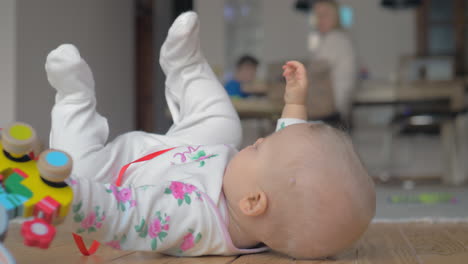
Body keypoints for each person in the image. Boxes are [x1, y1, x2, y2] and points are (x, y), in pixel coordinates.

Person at [46, 12, 375, 259]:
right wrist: (295, 102)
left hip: (118, 178)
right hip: (187, 151)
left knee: (77, 168)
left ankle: (75, 102)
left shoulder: (190, 219)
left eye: (259, 150)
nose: (258, 141)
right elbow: (287, 151)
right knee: (226, 127)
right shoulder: (255, 191)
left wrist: (72, 197)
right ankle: (186, 67)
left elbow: (126, 216)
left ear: (253, 202)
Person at [308, 0, 357, 127]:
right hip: (335, 111)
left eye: (324, 15)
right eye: (317, 15)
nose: (319, 20)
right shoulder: (337, 38)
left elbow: (314, 71)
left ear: (336, 17)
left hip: (330, 112)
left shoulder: (334, 39)